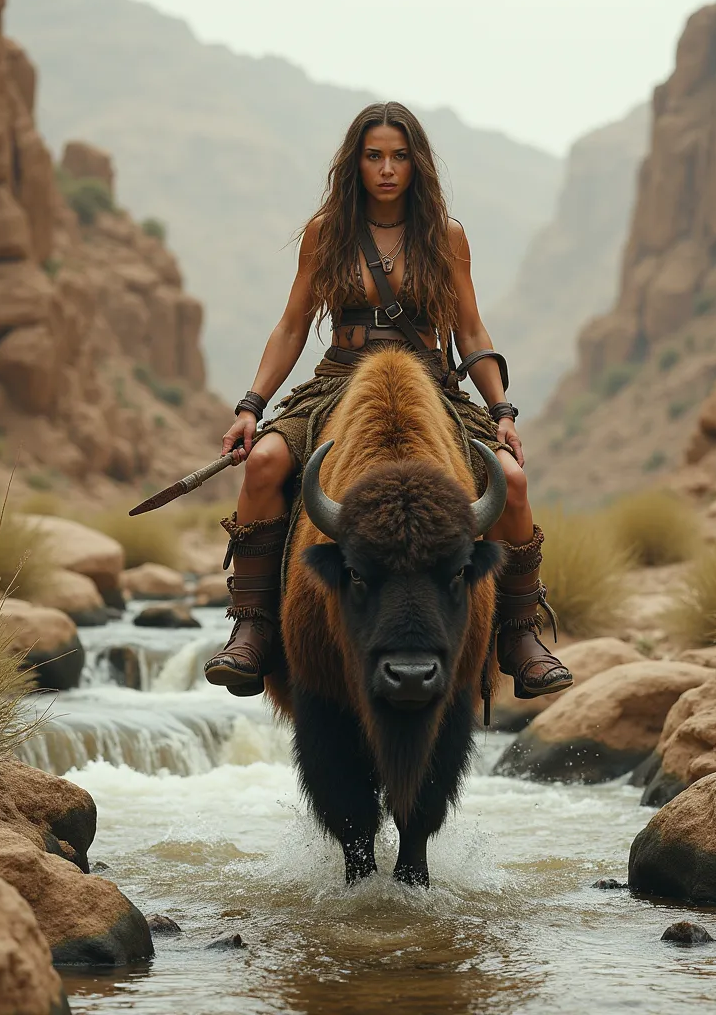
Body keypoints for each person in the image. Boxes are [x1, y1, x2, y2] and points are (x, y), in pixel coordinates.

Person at [203, 101, 572, 702]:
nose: (386, 169)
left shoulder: (446, 237)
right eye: (373, 156)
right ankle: (255, 629)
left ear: (417, 164)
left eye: (399, 156)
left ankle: (519, 637)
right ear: (355, 162)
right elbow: (293, 325)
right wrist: (251, 404)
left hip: (429, 385)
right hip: (339, 381)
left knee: (510, 479)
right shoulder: (327, 232)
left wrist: (503, 412)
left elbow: (473, 332)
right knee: (266, 463)